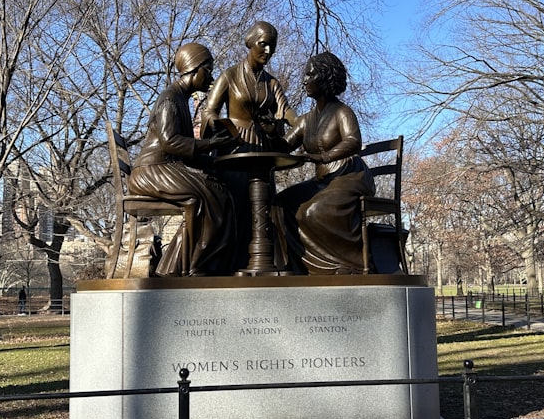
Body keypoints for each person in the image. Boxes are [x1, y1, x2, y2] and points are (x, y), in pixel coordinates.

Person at [127, 43, 237, 276]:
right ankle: (195, 265)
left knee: (219, 190)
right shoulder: (170, 99)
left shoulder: (182, 100)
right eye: (207, 70)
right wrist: (211, 144)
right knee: (208, 195)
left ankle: (179, 266)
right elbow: (170, 143)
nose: (210, 77)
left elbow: (187, 151)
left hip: (166, 168)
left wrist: (216, 159)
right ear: (193, 69)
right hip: (151, 171)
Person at [201, 21, 298, 271]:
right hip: (234, 146)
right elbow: (209, 110)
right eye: (263, 44)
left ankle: (263, 261)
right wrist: (221, 126)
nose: (267, 50)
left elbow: (285, 110)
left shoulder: (271, 83)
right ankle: (229, 263)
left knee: (264, 203)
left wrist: (301, 123)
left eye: (272, 46)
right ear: (250, 43)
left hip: (261, 147)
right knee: (236, 203)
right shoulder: (230, 76)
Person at [272, 52, 375, 275]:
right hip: (324, 181)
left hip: (349, 176)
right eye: (305, 75)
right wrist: (270, 128)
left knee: (313, 211)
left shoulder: (342, 112)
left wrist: (325, 157)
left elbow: (353, 141)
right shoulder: (307, 120)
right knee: (279, 204)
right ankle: (296, 266)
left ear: (326, 77)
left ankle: (350, 264)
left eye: (311, 74)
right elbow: (284, 145)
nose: (305, 80)